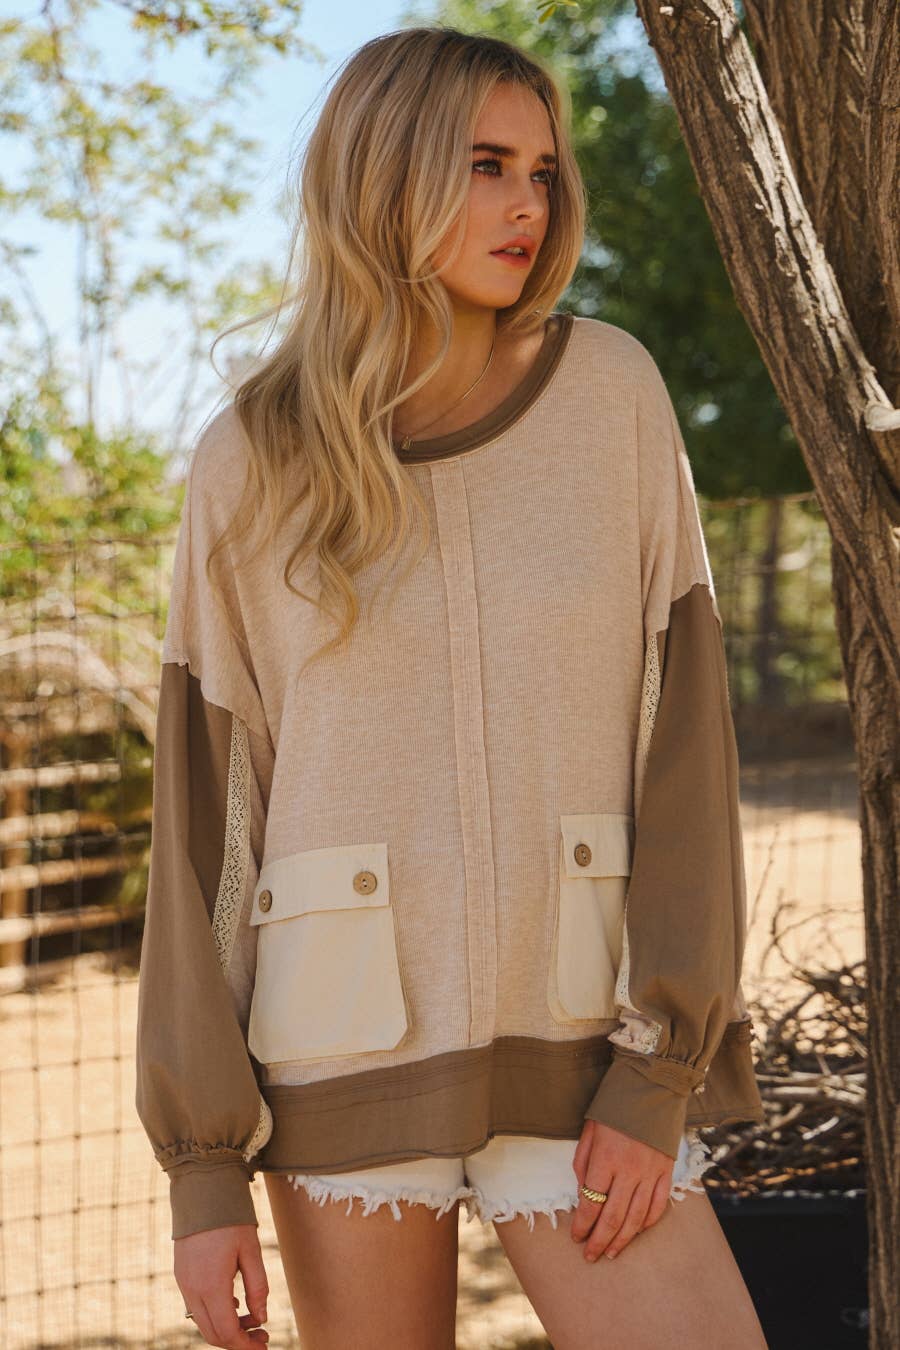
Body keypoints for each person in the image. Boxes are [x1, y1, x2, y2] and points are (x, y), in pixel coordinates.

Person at [134, 25, 769, 1350]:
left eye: (541, 169)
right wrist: (204, 1167)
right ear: (384, 172)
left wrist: (660, 1069)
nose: (529, 203)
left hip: (586, 1046)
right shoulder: (251, 458)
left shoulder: (612, 396)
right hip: (338, 1055)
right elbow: (210, 821)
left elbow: (682, 739)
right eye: (486, 165)